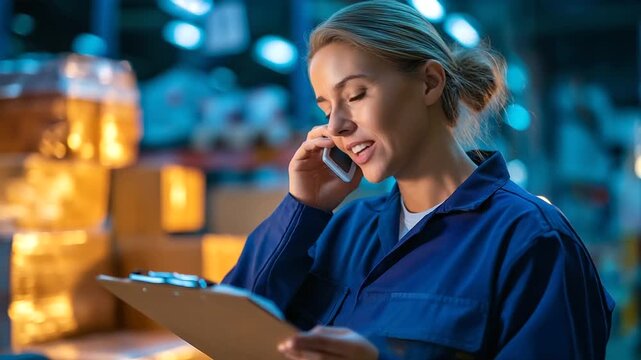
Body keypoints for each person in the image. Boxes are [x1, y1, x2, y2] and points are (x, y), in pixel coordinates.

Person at [222, 1, 615, 359]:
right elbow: (230, 333)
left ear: (429, 82)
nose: (337, 126)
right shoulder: (346, 230)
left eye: (356, 95)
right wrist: (301, 210)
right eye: (326, 108)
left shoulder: (530, 240)